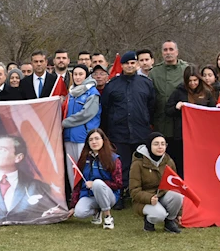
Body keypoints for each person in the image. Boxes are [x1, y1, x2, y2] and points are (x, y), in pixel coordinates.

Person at [99, 51, 156, 198]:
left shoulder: (146, 84)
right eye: (127, 63)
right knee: (121, 166)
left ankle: (139, 194)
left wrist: (144, 120)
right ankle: (120, 194)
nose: (130, 66)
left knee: (140, 164)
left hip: (140, 132)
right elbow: (105, 108)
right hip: (119, 133)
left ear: (136, 64)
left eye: (132, 63)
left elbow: (151, 106)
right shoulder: (112, 85)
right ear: (122, 65)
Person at [165, 65, 218, 176]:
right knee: (182, 163)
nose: (193, 83)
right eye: (190, 81)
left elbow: (213, 112)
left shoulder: (207, 92)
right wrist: (176, 107)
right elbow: (167, 110)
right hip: (182, 135)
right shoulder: (179, 91)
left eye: (195, 80)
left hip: (201, 135)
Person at [130, 132, 183, 233]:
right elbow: (133, 191)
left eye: (163, 144)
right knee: (159, 215)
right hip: (144, 200)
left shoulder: (169, 161)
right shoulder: (138, 163)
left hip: (162, 196)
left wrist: (179, 213)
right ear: (149, 145)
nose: (160, 147)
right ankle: (149, 222)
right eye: (156, 144)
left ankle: (170, 222)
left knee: (177, 195)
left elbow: (175, 185)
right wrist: (149, 198)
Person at [71, 128, 122, 229]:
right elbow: (78, 182)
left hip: (109, 196)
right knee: (79, 213)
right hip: (89, 195)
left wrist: (94, 184)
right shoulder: (83, 159)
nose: (94, 142)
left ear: (103, 140)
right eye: (91, 140)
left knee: (98, 183)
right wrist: (73, 205)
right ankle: (96, 211)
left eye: (97, 138)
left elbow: (118, 184)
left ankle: (107, 217)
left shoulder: (113, 159)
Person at [150, 41, 189, 164]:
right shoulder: (154, 72)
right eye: (165, 50)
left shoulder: (186, 70)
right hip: (161, 123)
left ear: (177, 52)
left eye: (171, 49)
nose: (168, 53)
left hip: (181, 124)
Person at [62, 64, 101, 184]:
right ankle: (74, 197)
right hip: (69, 136)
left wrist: (64, 123)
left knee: (84, 168)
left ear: (86, 76)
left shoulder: (92, 93)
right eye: (75, 75)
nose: (78, 77)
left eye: (81, 74)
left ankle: (85, 195)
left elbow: (86, 114)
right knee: (71, 168)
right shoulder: (71, 93)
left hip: (83, 136)